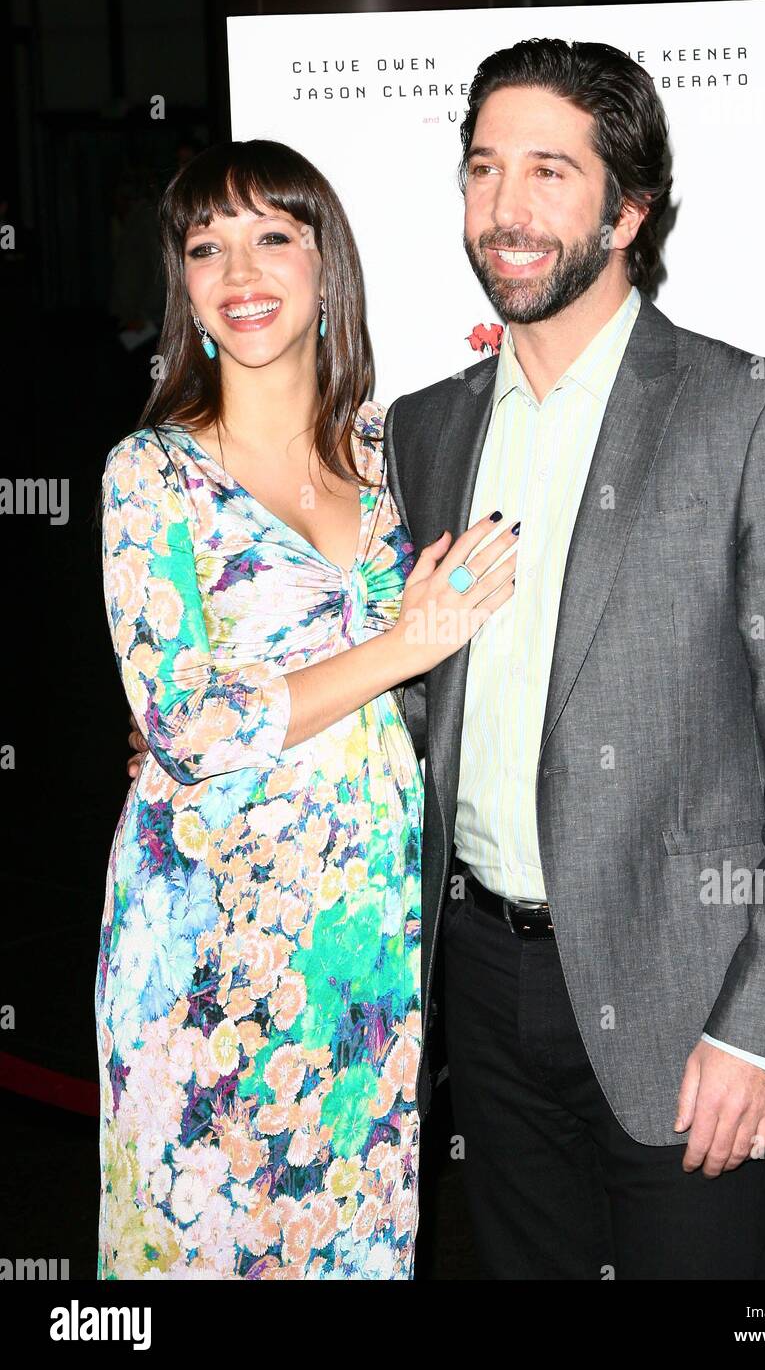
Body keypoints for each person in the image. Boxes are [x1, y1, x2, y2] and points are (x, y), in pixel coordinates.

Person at [382, 39, 765, 1279]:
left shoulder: (754, 412)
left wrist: (764, 1031)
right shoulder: (423, 429)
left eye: (551, 171)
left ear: (630, 209)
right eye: (484, 168)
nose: (506, 207)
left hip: (690, 997)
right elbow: (406, 699)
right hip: (481, 992)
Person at [97, 138, 517, 1279]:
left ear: (325, 263)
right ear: (183, 287)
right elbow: (183, 728)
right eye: (205, 246)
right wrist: (399, 645)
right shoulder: (152, 473)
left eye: (272, 235)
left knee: (355, 1237)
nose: (239, 268)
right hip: (210, 939)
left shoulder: (395, 455)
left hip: (363, 931)